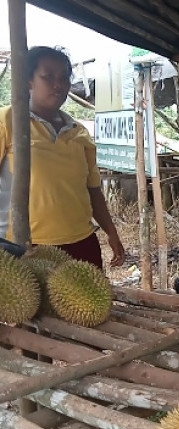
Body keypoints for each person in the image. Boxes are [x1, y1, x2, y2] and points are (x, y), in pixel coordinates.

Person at [0, 45, 125, 270]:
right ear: (28, 80)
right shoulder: (7, 122)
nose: (58, 85)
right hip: (24, 246)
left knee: (89, 306)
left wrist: (112, 233)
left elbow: (93, 190)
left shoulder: (79, 133)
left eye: (64, 78)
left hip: (82, 242)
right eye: (48, 77)